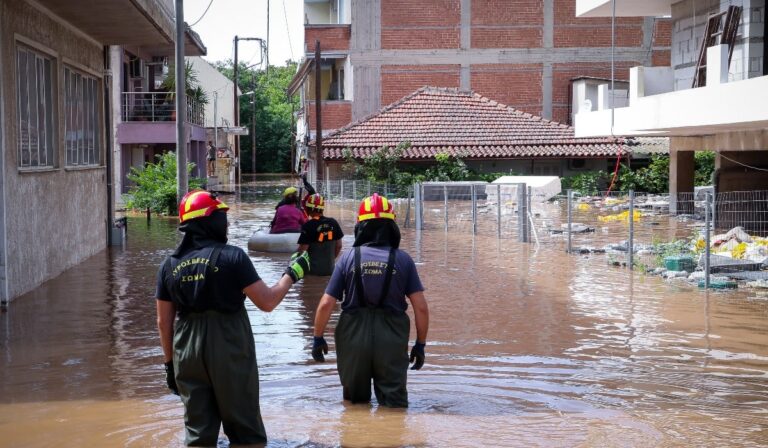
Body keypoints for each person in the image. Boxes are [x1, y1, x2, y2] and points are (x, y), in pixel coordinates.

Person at [156, 189, 310, 446]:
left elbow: (163, 322)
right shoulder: (232, 257)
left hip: (186, 349)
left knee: (197, 433)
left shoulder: (169, 265)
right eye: (221, 217)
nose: (225, 223)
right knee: (244, 430)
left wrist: (170, 365)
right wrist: (292, 274)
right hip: (228, 344)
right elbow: (267, 302)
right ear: (210, 221)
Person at [311, 193, 429, 408]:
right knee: (394, 404)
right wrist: (420, 345)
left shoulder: (347, 258)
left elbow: (326, 303)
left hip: (353, 336)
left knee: (354, 404)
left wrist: (318, 337)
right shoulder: (403, 260)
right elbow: (420, 308)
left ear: (360, 226)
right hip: (392, 338)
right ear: (391, 226)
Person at [297, 193, 344, 276]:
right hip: (330, 270)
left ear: (309, 208)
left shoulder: (308, 226)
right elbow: (339, 245)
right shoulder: (333, 222)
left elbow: (302, 251)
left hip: (312, 272)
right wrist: (331, 260)